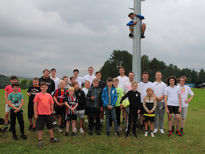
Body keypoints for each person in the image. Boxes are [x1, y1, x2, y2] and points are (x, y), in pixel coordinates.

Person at [33, 82, 59, 148]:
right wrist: (35, 113)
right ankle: (40, 140)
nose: (44, 88)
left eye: (45, 87)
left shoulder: (49, 95)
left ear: (47, 88)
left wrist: (52, 110)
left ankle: (52, 138)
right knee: (40, 128)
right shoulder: (38, 95)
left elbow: (52, 103)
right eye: (42, 87)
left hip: (48, 114)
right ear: (40, 88)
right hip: (40, 114)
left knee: (50, 127)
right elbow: (35, 104)